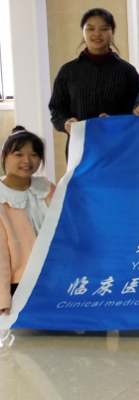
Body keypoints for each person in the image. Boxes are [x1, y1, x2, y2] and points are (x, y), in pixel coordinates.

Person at [49, 8, 139, 146]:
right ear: (82, 31)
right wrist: (65, 123)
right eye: (90, 28)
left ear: (113, 32)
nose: (97, 33)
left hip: (118, 145)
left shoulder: (127, 71)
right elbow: (56, 108)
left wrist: (114, 121)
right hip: (80, 147)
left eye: (104, 28)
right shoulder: (68, 71)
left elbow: (137, 109)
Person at [0, 127, 55, 314]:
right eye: (19, 155)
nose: (27, 161)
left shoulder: (46, 186)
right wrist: (3, 298)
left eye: (34, 155)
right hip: (20, 283)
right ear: (5, 156)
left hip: (55, 275)